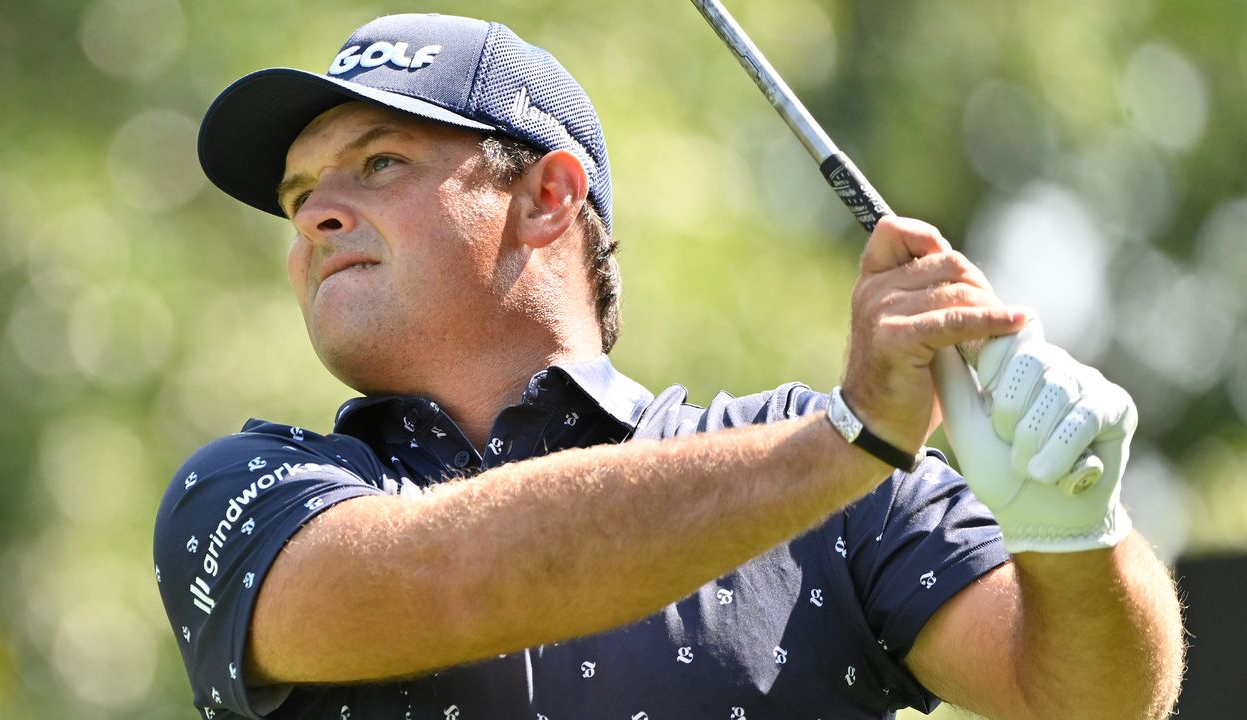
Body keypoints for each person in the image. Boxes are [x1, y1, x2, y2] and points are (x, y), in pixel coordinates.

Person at [154, 12, 1183, 720]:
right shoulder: (248, 492)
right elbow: (450, 583)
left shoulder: (847, 488)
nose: (319, 215)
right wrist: (848, 440)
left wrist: (1071, 528)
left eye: (380, 163)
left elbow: (1088, 700)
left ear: (549, 197)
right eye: (300, 197)